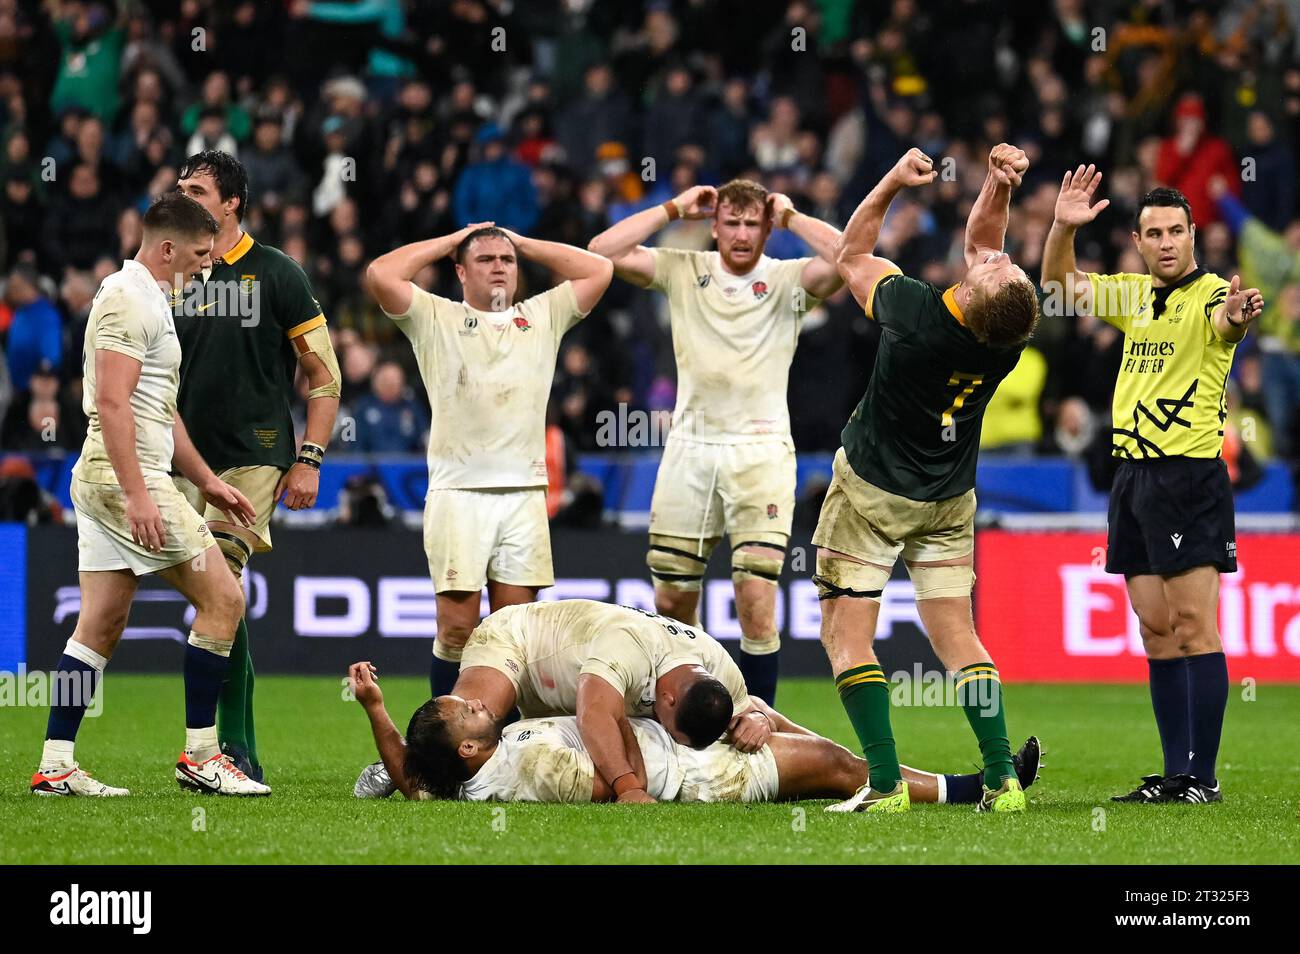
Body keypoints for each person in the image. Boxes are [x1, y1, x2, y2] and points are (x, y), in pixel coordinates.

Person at [813, 144, 1039, 814]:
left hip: (873, 492)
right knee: (957, 635)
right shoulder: (1008, 335)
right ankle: (1002, 781)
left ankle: (884, 787)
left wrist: (887, 181)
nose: (996, 256)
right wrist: (997, 182)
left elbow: (851, 253)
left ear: (970, 293)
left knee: (847, 636)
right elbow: (984, 242)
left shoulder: (914, 315)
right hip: (948, 497)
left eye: (996, 267)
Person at [29, 192, 268, 797]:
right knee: (223, 600)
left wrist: (209, 480)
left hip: (116, 474)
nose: (207, 267)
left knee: (100, 624)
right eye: (199, 254)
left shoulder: (152, 300)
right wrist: (138, 495)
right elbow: (111, 401)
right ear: (166, 248)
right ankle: (201, 755)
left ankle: (55, 763)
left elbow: (158, 412)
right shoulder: (127, 298)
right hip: (121, 476)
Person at [1043, 171, 1263, 804]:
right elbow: (1060, 284)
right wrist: (1063, 225)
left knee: (1195, 625)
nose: (1167, 243)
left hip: (1186, 475)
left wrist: (1237, 318)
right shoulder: (1134, 295)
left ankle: (1204, 777)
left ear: (1193, 234)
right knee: (1155, 629)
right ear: (1137, 241)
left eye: (1177, 232)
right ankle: (1175, 774)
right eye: (1154, 234)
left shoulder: (1212, 293)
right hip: (1132, 475)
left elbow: (1226, 323)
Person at [586, 179, 843, 705]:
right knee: (672, 600)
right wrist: (672, 207)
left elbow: (851, 258)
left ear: (766, 227)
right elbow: (600, 252)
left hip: (761, 452)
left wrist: (793, 216)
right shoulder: (685, 269)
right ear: (715, 225)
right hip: (690, 451)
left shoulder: (788, 279)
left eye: (753, 223)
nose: (742, 234)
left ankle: (761, 722)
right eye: (732, 222)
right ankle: (695, 717)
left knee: (756, 600)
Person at [365, 226, 613, 699]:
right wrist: (454, 238)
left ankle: (500, 751)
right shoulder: (435, 317)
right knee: (457, 632)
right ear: (460, 271)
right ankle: (441, 743)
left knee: (511, 635)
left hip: (523, 495)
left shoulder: (542, 315)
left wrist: (525, 243)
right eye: (485, 259)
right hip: (459, 494)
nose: (499, 266)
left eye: (507, 259)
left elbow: (599, 268)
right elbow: (381, 273)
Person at [174, 150, 343, 784]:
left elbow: (323, 378)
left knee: (221, 577)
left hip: (254, 457)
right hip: (181, 461)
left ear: (231, 204)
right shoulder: (174, 273)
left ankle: (232, 746)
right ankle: (222, 745)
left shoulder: (278, 273)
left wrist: (309, 459)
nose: (183, 196)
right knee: (218, 599)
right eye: (180, 186)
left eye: (196, 189)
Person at [347, 661, 1043, 806]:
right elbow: (604, 785)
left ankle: (963, 782)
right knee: (836, 766)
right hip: (697, 773)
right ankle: (972, 788)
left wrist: (377, 710)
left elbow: (415, 781)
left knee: (777, 714)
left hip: (678, 750)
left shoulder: (470, 774)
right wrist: (629, 732)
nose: (477, 704)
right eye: (467, 713)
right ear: (470, 748)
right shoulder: (524, 767)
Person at [355, 599, 770, 804]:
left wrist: (761, 719)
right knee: (465, 734)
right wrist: (627, 788)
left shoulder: (719, 667)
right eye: (674, 733)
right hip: (522, 644)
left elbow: (751, 708)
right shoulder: (626, 649)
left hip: (587, 684)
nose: (673, 740)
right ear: (666, 697)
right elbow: (595, 714)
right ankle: (415, 760)